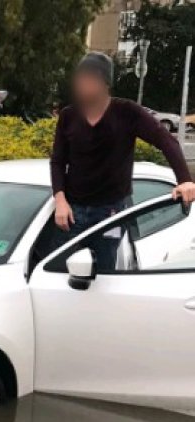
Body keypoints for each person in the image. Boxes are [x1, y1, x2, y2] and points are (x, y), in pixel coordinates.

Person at [51, 51, 195, 270]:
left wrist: (184, 179)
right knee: (59, 270)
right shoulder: (69, 116)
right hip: (73, 210)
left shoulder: (127, 113)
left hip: (111, 212)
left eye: (89, 79)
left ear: (104, 82)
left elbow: (167, 142)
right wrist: (60, 200)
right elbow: (58, 161)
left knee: (104, 271)